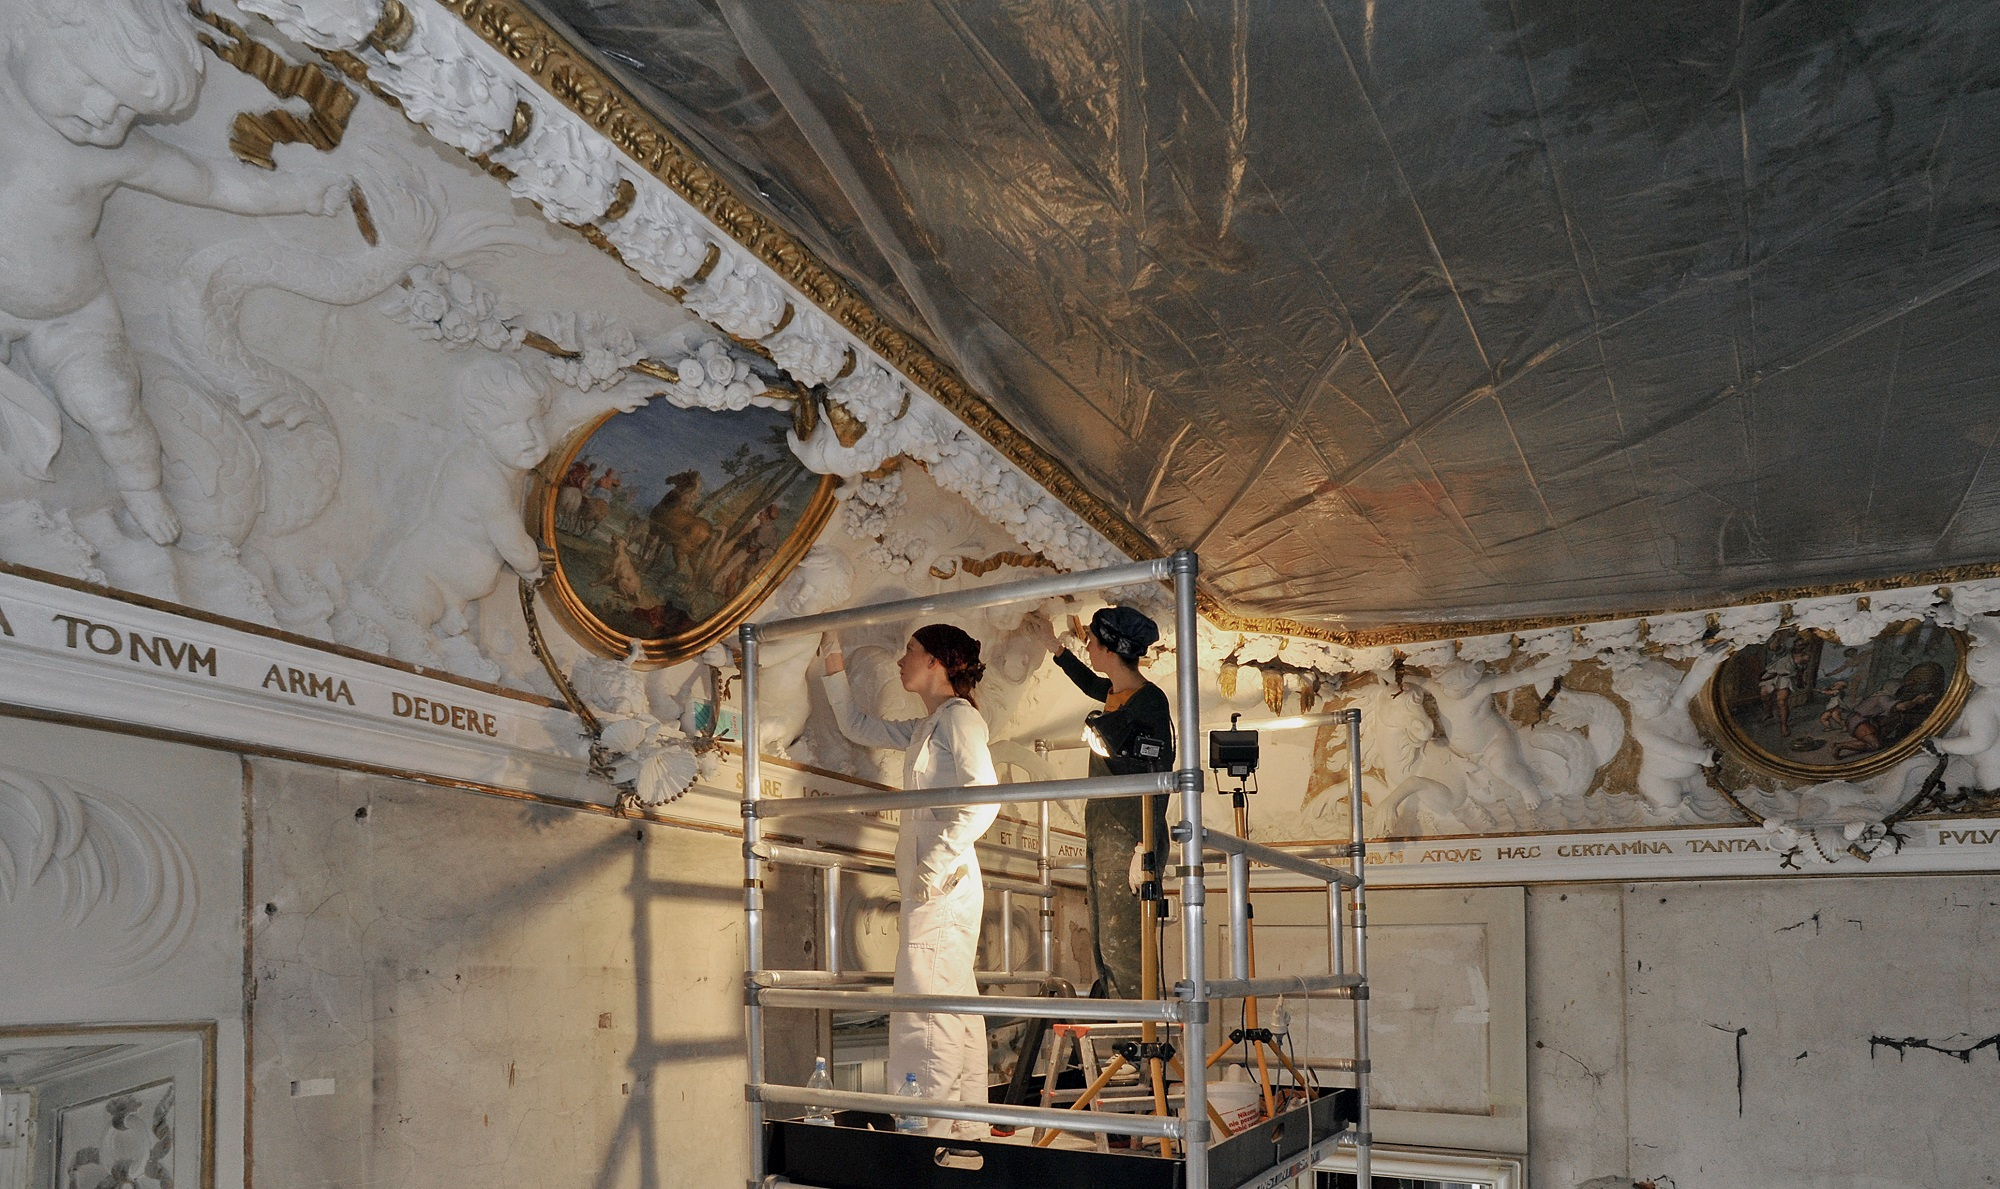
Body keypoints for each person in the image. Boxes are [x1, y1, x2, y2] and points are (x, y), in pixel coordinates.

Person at [821, 624, 997, 1138]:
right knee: (951, 1005)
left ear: (936, 662)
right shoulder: (929, 726)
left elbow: (984, 797)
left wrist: (933, 864)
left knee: (925, 1012)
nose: (902, 660)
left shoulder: (960, 719)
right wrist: (833, 657)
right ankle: (965, 1131)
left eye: (911, 651)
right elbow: (856, 726)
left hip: (942, 884)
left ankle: (925, 1134)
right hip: (934, 883)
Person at [1046, 606, 1174, 1000]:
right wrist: (1054, 648)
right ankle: (1126, 1032)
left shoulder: (1149, 701)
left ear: (1110, 650)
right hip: (1106, 831)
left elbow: (1162, 771)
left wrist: (1143, 847)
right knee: (1105, 944)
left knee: (1125, 948)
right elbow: (1090, 683)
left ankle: (1141, 1031)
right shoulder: (1118, 694)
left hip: (1130, 836)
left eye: (1091, 642)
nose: (1087, 647)